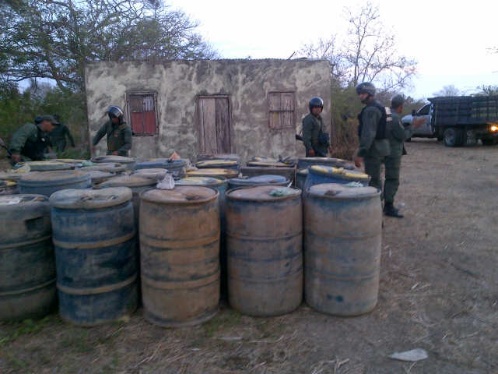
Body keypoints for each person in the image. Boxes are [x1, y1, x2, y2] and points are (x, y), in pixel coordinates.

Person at [384, 94, 424, 218]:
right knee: (392, 179)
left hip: (384, 150)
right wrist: (414, 127)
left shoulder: (386, 115)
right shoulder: (395, 118)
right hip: (393, 152)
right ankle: (388, 206)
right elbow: (402, 135)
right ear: (400, 106)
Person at [353, 82, 390, 191]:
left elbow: (368, 133)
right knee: (376, 179)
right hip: (381, 148)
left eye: (363, 93)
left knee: (373, 181)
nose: (360, 96)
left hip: (374, 150)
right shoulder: (379, 106)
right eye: (359, 93)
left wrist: (361, 153)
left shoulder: (371, 110)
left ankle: (376, 206)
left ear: (370, 93)